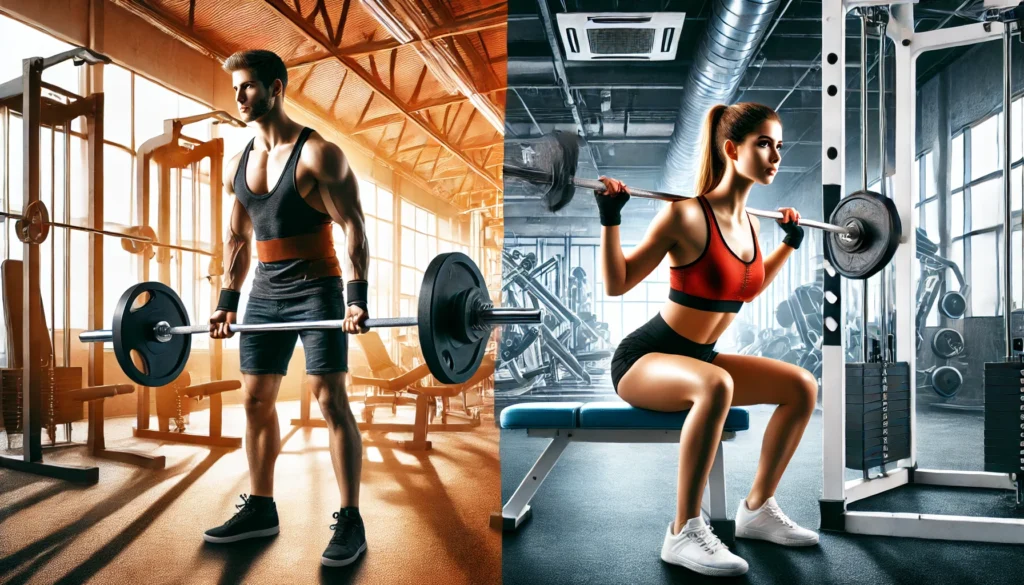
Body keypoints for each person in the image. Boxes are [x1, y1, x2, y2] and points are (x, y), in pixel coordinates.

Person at [595, 102, 819, 577]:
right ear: (732, 149)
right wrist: (610, 219)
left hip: (699, 356)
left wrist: (788, 244)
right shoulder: (686, 215)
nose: (775, 155)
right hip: (644, 359)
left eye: (779, 146)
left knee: (801, 385)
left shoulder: (755, 225)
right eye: (763, 144)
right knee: (716, 384)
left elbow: (748, 288)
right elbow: (618, 283)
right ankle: (682, 531)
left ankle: (757, 510)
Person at [202, 49, 370, 568]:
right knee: (255, 398)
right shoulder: (238, 163)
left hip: (318, 286)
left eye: (248, 86)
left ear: (276, 88)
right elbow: (236, 239)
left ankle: (350, 518)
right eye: (235, 88)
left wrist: (356, 298)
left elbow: (353, 227)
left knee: (329, 397)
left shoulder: (319, 154)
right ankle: (261, 507)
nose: (239, 97)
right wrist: (227, 301)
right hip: (265, 293)